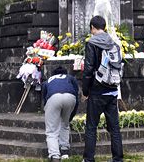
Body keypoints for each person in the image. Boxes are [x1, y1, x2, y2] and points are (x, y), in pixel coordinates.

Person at [82, 15, 123, 162]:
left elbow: (88, 70)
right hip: (112, 90)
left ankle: (89, 159)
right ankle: (117, 158)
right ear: (104, 27)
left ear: (93, 27)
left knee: (91, 126)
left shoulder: (92, 43)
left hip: (97, 91)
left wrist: (85, 91)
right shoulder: (114, 43)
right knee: (115, 128)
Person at [42, 66, 79, 162]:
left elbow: (44, 99)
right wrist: (72, 115)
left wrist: (48, 111)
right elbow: (76, 94)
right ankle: (65, 151)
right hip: (70, 97)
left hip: (53, 97)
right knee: (65, 124)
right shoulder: (70, 78)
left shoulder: (48, 81)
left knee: (51, 130)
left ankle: (55, 156)